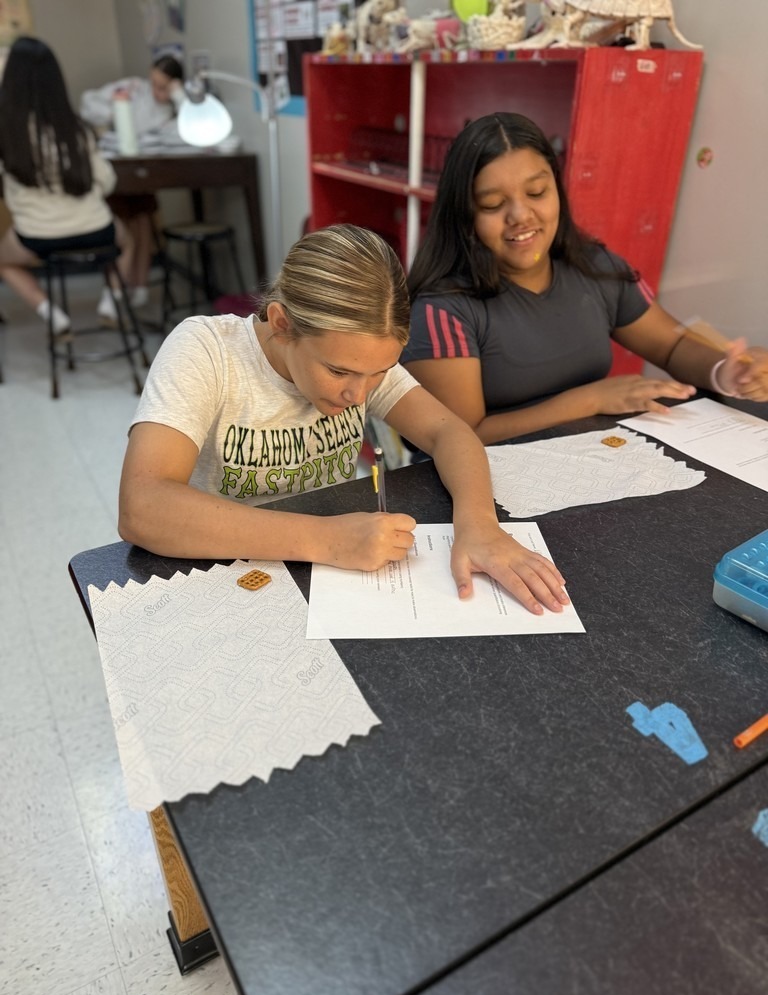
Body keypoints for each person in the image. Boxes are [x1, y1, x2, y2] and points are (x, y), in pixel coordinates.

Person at [119, 223, 570, 616]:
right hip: (223, 568)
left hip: (327, 571)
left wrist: (480, 526)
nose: (358, 394)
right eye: (338, 372)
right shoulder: (207, 351)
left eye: (377, 374)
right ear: (281, 324)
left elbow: (449, 432)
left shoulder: (359, 355)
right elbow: (143, 507)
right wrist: (325, 540)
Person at [402, 112, 768, 444]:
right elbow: (461, 437)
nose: (520, 215)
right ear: (464, 213)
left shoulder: (594, 266)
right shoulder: (441, 309)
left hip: (588, 458)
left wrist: (727, 372)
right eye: (494, 204)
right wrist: (590, 400)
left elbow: (670, 346)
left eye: (536, 193)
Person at [0, 36, 133, 336]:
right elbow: (106, 180)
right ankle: (110, 303)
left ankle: (51, 314)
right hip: (95, 228)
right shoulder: (76, 128)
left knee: (4, 262)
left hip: (36, 236)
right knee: (128, 243)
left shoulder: (8, 133)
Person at [80, 54, 185, 317]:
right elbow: (89, 104)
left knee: (143, 221)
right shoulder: (134, 89)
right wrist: (114, 107)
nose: (156, 92)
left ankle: (139, 286)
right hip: (121, 170)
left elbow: (188, 128)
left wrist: (178, 96)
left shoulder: (177, 104)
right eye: (154, 84)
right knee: (125, 226)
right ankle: (117, 290)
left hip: (148, 172)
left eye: (164, 86)